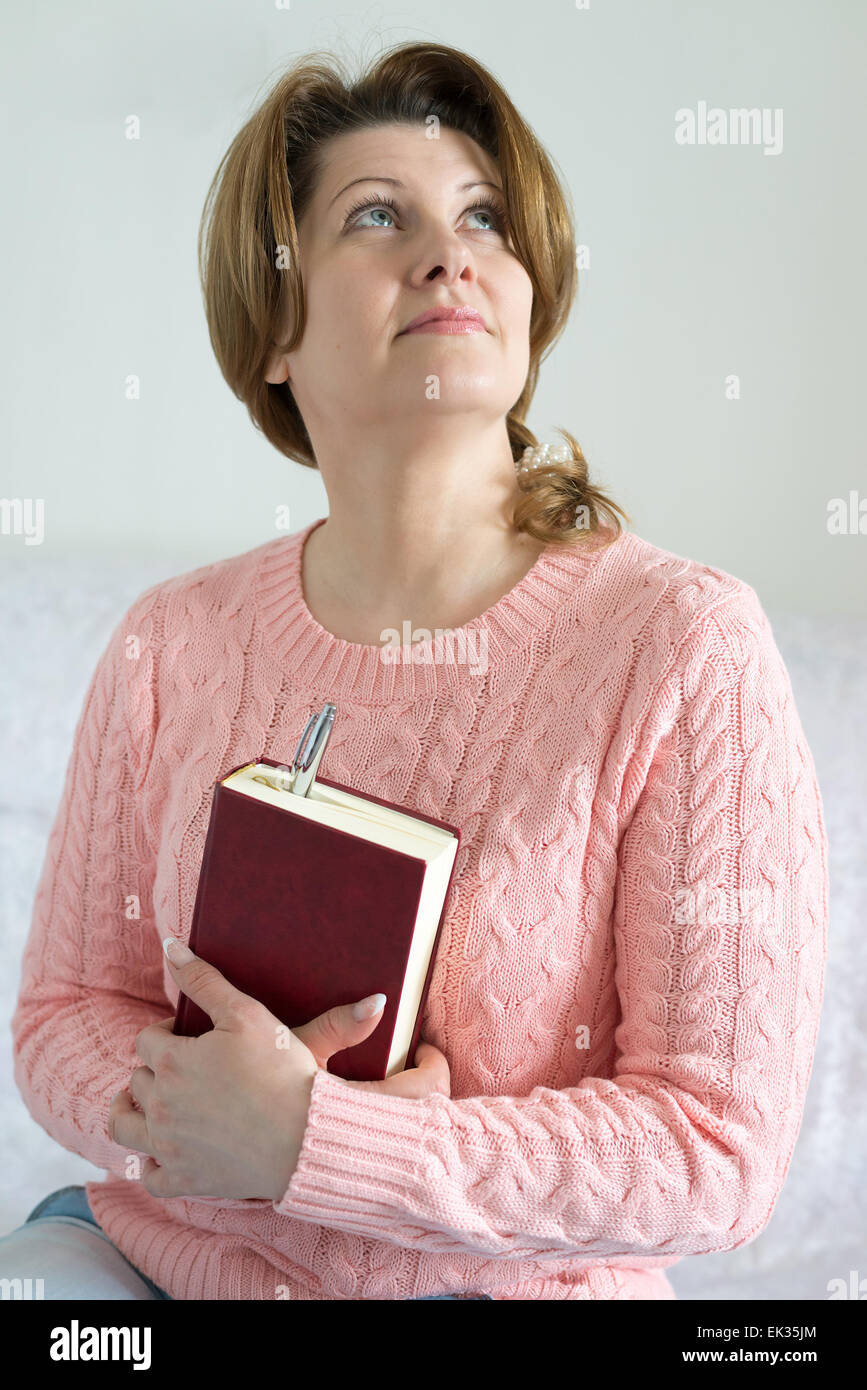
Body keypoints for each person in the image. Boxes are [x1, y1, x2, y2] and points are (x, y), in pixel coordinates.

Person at [5, 40, 827, 1301]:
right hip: (154, 1267)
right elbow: (63, 1006)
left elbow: (717, 1146)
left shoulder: (683, 646)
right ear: (274, 324)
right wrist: (199, 1113)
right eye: (377, 216)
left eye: (485, 217)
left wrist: (317, 1145)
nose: (451, 253)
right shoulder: (171, 641)